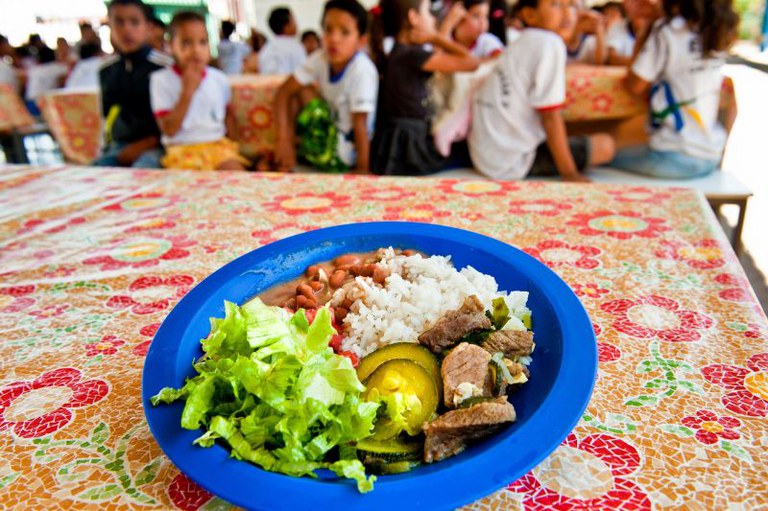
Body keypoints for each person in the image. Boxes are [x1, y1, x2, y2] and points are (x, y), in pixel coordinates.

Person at [469, 0, 615, 181]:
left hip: (485, 155)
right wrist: (570, 173)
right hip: (511, 162)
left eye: (570, 5)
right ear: (530, 15)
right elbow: (551, 117)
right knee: (606, 145)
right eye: (555, 4)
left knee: (573, 130)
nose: (567, 12)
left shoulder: (526, 39)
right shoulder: (549, 43)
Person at [611, 0, 739, 178]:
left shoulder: (670, 30)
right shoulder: (716, 28)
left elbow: (634, 85)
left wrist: (649, 26)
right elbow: (733, 105)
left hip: (673, 156)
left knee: (602, 156)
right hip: (710, 155)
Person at [370, 0, 479, 176]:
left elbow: (439, 57)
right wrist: (435, 36)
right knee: (467, 156)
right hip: (410, 145)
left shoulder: (400, 52)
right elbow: (472, 63)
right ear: (413, 18)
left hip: (399, 139)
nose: (433, 20)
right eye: (428, 12)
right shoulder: (411, 55)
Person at [274, 0, 378, 173]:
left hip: (344, 153)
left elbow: (361, 125)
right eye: (328, 30)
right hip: (328, 134)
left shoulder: (362, 70)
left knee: (304, 92)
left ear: (361, 41)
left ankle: (291, 159)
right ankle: (287, 154)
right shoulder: (320, 58)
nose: (334, 39)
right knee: (297, 92)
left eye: (345, 32)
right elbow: (283, 92)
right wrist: (282, 139)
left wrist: (362, 171)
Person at [150, 11, 247, 170]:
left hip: (217, 147)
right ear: (170, 46)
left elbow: (229, 117)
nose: (196, 50)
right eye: (186, 43)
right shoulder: (161, 80)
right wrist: (187, 92)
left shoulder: (219, 78)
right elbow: (169, 129)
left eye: (203, 42)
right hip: (181, 150)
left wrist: (236, 145)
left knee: (236, 176)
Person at [94, 0, 173, 168]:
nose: (127, 29)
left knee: (142, 171)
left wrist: (145, 145)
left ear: (149, 28)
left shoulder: (166, 68)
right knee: (94, 174)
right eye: (119, 22)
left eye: (134, 22)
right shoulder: (106, 70)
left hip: (160, 146)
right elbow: (106, 117)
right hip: (120, 146)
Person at [441, 0, 505, 60]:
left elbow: (500, 59)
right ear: (458, 16)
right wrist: (448, 24)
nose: (482, 22)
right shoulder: (446, 36)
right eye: (476, 16)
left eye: (486, 16)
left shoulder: (487, 40)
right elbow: (438, 55)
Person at [259, 7, 306, 74]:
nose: (297, 24)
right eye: (294, 20)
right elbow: (302, 75)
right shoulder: (295, 47)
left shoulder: (266, 48)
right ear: (286, 27)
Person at [560, 0, 606, 64]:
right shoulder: (558, 33)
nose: (569, 11)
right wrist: (577, 30)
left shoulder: (588, 40)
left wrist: (600, 32)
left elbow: (600, 61)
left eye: (575, 7)